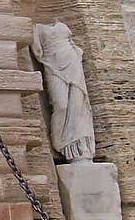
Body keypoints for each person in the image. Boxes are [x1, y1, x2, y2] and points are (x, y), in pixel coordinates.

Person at [30, 21, 95, 161]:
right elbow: (37, 51)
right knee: (61, 105)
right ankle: (61, 142)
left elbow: (72, 44)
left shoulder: (63, 25)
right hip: (52, 65)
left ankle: (79, 147)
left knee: (78, 105)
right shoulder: (37, 28)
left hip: (72, 62)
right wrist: (51, 60)